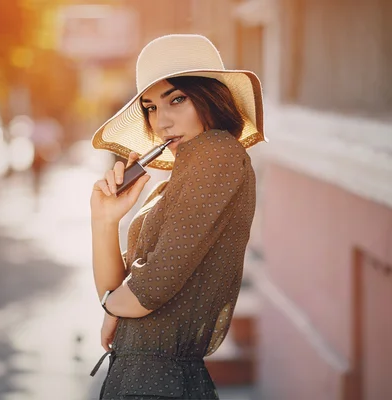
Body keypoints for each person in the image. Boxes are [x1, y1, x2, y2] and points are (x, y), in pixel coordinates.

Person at [89, 34, 265, 399]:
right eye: (151, 107)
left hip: (157, 384)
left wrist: (114, 308)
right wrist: (105, 220)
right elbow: (114, 287)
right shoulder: (173, 183)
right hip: (141, 378)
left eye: (177, 99)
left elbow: (145, 290)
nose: (162, 121)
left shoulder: (217, 151)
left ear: (210, 98)